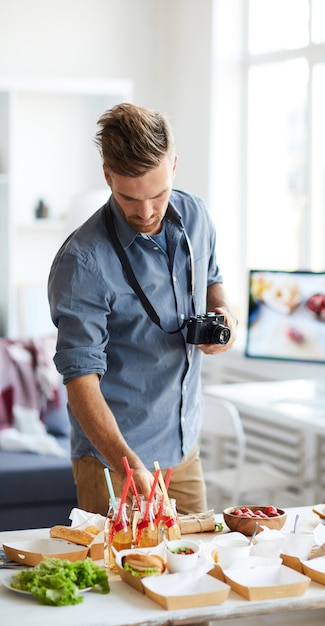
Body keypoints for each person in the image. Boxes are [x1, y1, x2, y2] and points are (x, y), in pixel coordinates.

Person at [48, 103, 237, 517]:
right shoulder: (82, 262)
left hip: (184, 448)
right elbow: (81, 380)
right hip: (114, 462)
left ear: (173, 165)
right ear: (107, 176)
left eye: (158, 194)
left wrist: (225, 315)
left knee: (195, 573)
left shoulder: (197, 216)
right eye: (129, 198)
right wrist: (128, 466)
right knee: (117, 579)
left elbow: (212, 278)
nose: (146, 212)